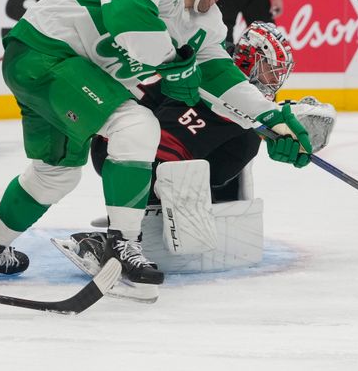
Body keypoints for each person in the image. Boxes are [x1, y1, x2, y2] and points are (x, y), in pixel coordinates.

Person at [0, 0, 312, 298]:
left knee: (56, 174)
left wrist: (270, 118)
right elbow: (128, 16)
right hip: (45, 50)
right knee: (137, 126)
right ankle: (122, 245)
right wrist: (175, 64)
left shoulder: (205, 22)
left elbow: (220, 75)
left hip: (60, 73)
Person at [57, 22, 336, 278]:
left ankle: (137, 226)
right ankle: (116, 241)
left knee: (235, 145)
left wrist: (275, 119)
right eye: (268, 70)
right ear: (248, 59)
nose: (273, 81)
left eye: (278, 74)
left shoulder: (238, 98)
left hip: (144, 156)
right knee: (229, 143)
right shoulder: (208, 73)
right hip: (121, 151)